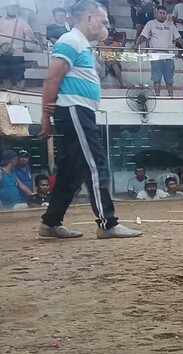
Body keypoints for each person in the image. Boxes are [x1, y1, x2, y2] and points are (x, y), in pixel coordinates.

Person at [38, 0, 141, 238]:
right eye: (103, 21)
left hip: (79, 111)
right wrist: (45, 117)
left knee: (71, 171)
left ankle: (50, 222)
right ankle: (108, 223)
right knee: (95, 165)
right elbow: (52, 80)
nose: (106, 25)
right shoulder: (71, 40)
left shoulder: (80, 44)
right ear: (90, 19)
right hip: (75, 110)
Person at [135, 6, 183, 97]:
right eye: (160, 13)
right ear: (157, 13)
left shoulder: (171, 25)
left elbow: (178, 37)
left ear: (166, 14)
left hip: (168, 56)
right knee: (156, 79)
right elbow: (143, 36)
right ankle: (157, 97)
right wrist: (137, 45)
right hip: (155, 55)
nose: (162, 15)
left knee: (169, 80)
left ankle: (171, 97)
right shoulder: (150, 24)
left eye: (164, 13)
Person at [0, 3, 40, 91]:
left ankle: (20, 96)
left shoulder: (21, 21)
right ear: (6, 8)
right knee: (5, 78)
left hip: (17, 55)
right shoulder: (1, 21)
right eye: (11, 6)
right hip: (3, 55)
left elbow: (28, 32)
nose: (13, 9)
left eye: (15, 7)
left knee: (20, 79)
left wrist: (34, 38)